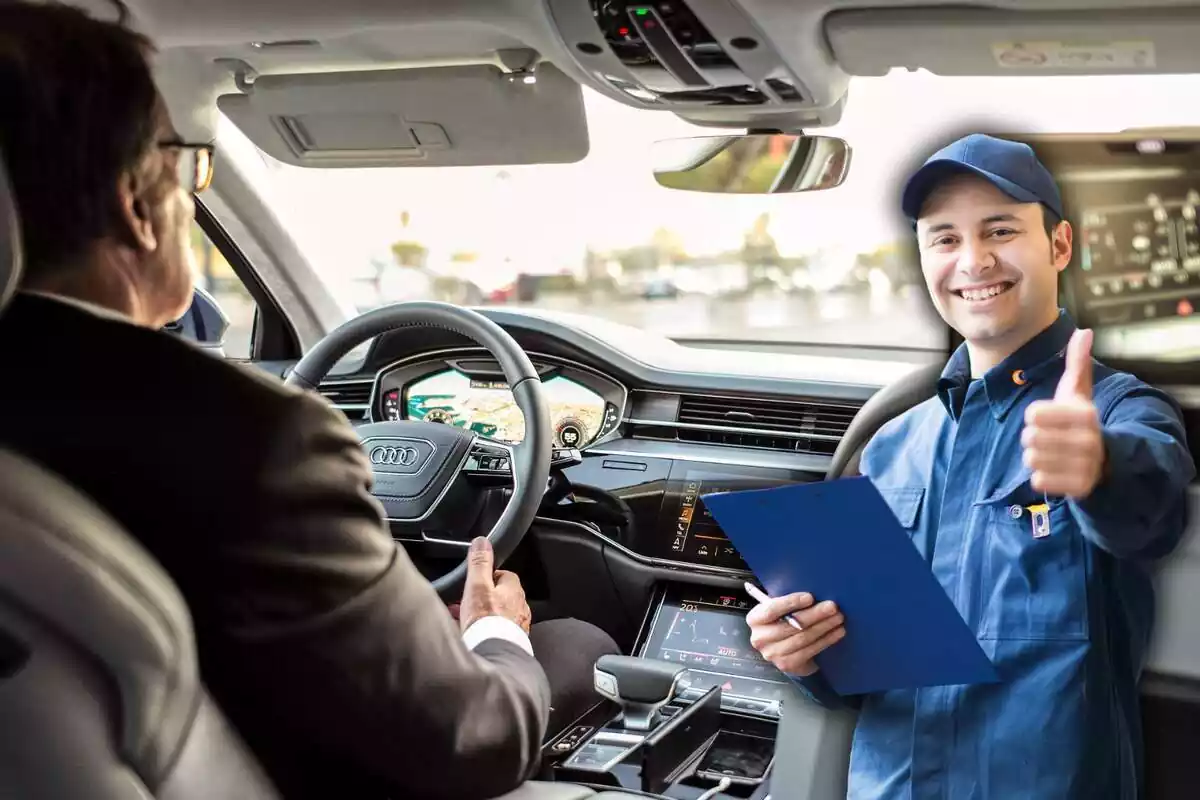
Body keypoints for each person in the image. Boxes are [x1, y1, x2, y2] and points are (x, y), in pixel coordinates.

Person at [0, 3, 616, 798]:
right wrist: (498, 633)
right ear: (134, 204)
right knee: (580, 642)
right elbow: (469, 741)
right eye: (190, 169)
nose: (190, 200)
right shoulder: (251, 438)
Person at [746, 133, 1195, 798]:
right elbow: (859, 668)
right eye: (945, 238)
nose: (974, 260)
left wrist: (1098, 466)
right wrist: (802, 655)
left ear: (1060, 245)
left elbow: (1151, 509)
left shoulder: (1118, 411)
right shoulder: (891, 444)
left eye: (1001, 230)